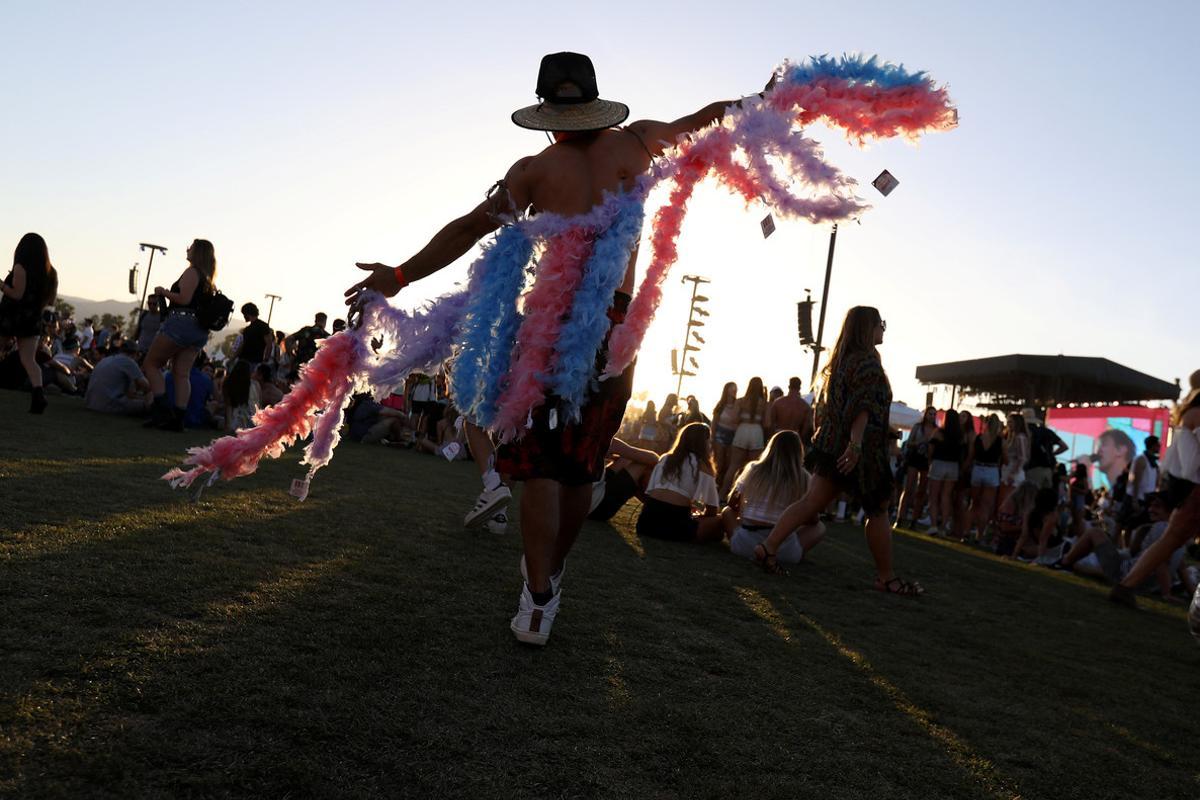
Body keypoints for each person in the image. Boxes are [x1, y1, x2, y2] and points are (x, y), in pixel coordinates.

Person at [345, 51, 767, 645]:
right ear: (597, 100)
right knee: (581, 469)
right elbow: (710, 115)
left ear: (547, 110)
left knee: (545, 464)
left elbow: (468, 229)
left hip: (555, 324)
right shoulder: (638, 143)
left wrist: (401, 275)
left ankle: (538, 595)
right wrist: (764, 101)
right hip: (618, 333)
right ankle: (549, 580)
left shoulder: (534, 172)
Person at [755, 307, 923, 595]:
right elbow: (863, 408)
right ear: (867, 328)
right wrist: (856, 445)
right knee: (879, 509)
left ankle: (768, 546)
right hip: (859, 452)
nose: (883, 329)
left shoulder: (842, 361)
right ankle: (886, 577)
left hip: (832, 445)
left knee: (810, 502)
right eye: (880, 323)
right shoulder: (868, 362)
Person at [1110, 375, 1200, 608]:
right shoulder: (1197, 415)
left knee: (1169, 540)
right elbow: (1193, 463)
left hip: (1188, 489)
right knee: (1169, 540)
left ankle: (1126, 586)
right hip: (1195, 490)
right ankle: (1126, 586)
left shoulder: (1189, 414)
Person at [143, 239, 217, 431]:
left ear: (197, 253)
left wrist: (163, 292)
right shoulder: (208, 279)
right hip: (199, 331)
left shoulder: (192, 272)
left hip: (181, 324)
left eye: (191, 247)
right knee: (181, 373)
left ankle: (161, 411)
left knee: (151, 364)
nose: (187, 249)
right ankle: (178, 419)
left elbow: (184, 299)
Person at [727, 430, 825, 565]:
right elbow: (813, 519)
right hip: (784, 550)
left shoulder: (753, 468)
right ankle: (792, 552)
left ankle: (745, 542)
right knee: (819, 527)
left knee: (727, 511)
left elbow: (732, 502)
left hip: (744, 545)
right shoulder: (804, 478)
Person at [0, 233, 59, 413]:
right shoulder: (50, 272)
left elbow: (17, 294)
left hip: (12, 317)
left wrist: (2, 285)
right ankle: (38, 395)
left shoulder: (20, 267)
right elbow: (51, 301)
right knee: (29, 360)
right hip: (32, 320)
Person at [635, 423, 723, 543]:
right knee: (719, 520)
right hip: (675, 527)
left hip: (645, 524)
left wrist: (691, 502)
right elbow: (711, 509)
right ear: (705, 443)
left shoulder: (665, 458)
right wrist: (696, 505)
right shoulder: (703, 467)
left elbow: (651, 492)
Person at [587, 437, 660, 522]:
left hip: (589, 491)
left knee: (626, 459)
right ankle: (655, 505)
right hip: (594, 505)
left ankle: (652, 501)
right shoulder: (601, 435)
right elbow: (653, 459)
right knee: (641, 464)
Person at [720, 376, 767, 498]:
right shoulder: (765, 404)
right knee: (754, 469)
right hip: (756, 432)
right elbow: (767, 423)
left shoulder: (741, 401)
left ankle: (722, 495)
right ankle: (750, 498)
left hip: (742, 431)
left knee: (733, 466)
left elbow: (734, 418)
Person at [84, 340, 151, 415]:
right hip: (108, 406)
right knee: (150, 403)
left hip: (91, 403)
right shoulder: (129, 361)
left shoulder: (106, 359)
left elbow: (129, 393)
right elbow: (147, 386)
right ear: (136, 353)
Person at [896, 406, 937, 527]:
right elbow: (909, 443)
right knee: (908, 488)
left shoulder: (936, 430)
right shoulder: (918, 427)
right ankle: (900, 517)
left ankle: (914, 520)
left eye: (934, 414)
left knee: (921, 491)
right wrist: (919, 442)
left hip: (926, 460)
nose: (932, 416)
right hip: (914, 458)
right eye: (930, 414)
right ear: (926, 415)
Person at [925, 409, 963, 537]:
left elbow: (930, 449)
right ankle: (943, 527)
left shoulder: (938, 432)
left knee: (934, 496)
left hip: (939, 463)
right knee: (946, 497)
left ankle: (933, 525)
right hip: (953, 466)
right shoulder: (960, 435)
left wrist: (930, 461)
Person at [967, 413, 1004, 539]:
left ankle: (966, 533)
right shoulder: (1000, 441)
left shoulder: (978, 438)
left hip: (978, 468)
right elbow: (1007, 459)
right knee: (985, 506)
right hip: (992, 470)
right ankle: (979, 535)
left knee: (974, 504)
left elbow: (971, 456)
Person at [1022, 408, 1067, 489]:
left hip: (1032, 468)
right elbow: (1064, 446)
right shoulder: (1048, 432)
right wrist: (1051, 454)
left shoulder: (1025, 433)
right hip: (1048, 469)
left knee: (1031, 495)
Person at [765, 376, 812, 443]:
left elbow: (771, 424)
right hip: (794, 437)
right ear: (799, 388)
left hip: (778, 436)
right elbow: (806, 428)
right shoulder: (805, 406)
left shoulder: (778, 402)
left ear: (789, 386)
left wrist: (771, 439)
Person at [711, 381, 739, 488]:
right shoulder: (721, 405)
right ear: (727, 390)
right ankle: (714, 485)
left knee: (729, 464)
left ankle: (722, 486)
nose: (734, 390)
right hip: (720, 435)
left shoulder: (738, 404)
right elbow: (714, 423)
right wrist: (712, 438)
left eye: (736, 388)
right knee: (719, 462)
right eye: (732, 388)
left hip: (733, 436)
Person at [287, 312, 329, 379]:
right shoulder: (326, 337)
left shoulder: (305, 330)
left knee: (293, 388)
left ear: (315, 320)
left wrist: (290, 354)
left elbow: (289, 339)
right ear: (325, 322)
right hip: (314, 372)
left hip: (298, 366)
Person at [233, 302, 273, 368]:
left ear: (247, 313)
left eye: (244, 314)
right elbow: (242, 346)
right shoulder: (247, 329)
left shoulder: (263, 326)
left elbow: (269, 344)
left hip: (254, 362)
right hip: (244, 360)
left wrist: (265, 360)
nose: (244, 316)